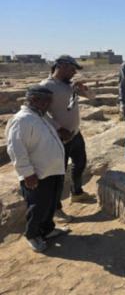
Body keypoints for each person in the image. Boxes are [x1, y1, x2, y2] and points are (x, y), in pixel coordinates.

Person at [6, 85, 69, 252]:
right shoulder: (22, 120)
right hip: (37, 174)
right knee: (38, 207)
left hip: (52, 171)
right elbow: (16, 149)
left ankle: (47, 230)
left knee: (50, 204)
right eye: (46, 101)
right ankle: (32, 235)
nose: (49, 104)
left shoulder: (40, 116)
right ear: (33, 100)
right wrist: (27, 174)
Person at [41, 55, 96, 223]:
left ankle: (77, 193)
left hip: (75, 134)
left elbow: (92, 97)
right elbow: (39, 113)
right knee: (58, 174)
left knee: (80, 164)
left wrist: (84, 89)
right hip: (59, 138)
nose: (74, 73)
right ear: (62, 66)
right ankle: (56, 210)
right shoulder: (46, 86)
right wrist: (58, 129)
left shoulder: (70, 85)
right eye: (72, 69)